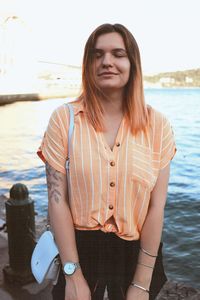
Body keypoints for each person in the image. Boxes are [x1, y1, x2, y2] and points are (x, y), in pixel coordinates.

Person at [37, 23, 176, 300]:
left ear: (132, 63)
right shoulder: (64, 119)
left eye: (118, 53)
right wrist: (72, 274)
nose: (107, 62)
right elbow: (56, 199)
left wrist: (141, 283)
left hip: (137, 255)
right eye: (97, 54)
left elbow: (156, 206)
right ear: (88, 64)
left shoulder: (158, 125)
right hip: (77, 252)